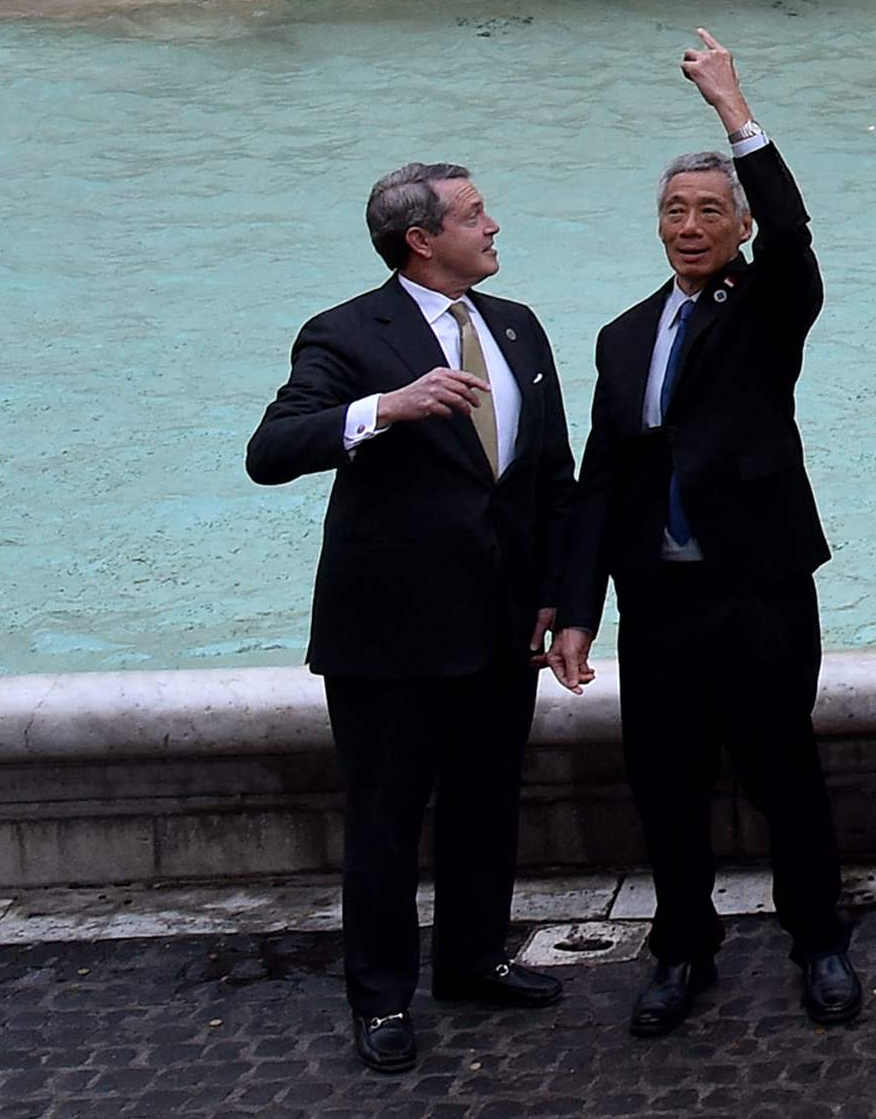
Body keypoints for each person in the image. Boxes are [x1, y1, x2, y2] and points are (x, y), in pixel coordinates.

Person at [552, 32, 860, 1034]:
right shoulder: (623, 333)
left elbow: (798, 235)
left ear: (738, 225)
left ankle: (820, 940)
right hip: (660, 599)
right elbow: (602, 473)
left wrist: (736, 110)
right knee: (666, 784)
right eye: (674, 210)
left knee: (785, 771)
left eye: (708, 211)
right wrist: (574, 605)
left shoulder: (770, 304)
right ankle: (683, 946)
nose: (689, 226)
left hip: (760, 584)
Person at [245, 161, 577, 1074]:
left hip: (501, 625)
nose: (495, 226)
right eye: (476, 215)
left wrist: (560, 594)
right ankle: (382, 1000)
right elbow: (269, 451)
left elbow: (550, 477)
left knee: (485, 809)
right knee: (387, 821)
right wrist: (381, 409)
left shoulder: (516, 326)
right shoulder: (346, 332)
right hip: (387, 635)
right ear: (421, 239)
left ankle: (471, 964)